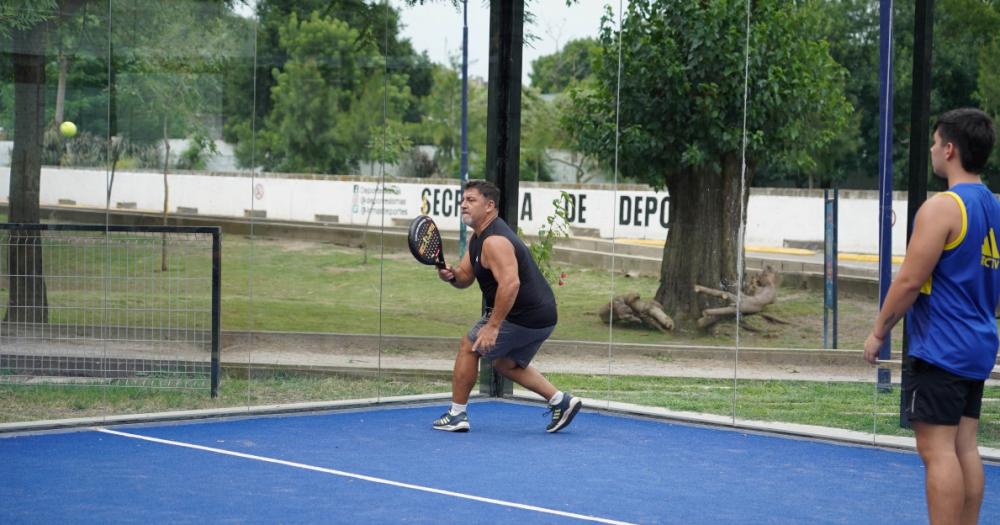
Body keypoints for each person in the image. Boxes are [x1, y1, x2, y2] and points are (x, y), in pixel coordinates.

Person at [864, 108, 998, 525]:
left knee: (937, 450)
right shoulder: (993, 206)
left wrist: (878, 330)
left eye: (936, 142)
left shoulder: (943, 208)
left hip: (942, 347)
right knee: (964, 446)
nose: (933, 149)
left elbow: (908, 281)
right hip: (977, 343)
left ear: (950, 149)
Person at [432, 179, 582, 433]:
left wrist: (492, 327)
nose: (463, 205)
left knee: (470, 346)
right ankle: (561, 401)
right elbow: (465, 278)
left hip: (524, 314)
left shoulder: (495, 241)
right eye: (463, 200)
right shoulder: (478, 238)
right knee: (504, 363)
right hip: (542, 316)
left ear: (489, 206)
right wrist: (450, 274)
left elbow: (510, 285)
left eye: (471, 200)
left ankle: (457, 414)